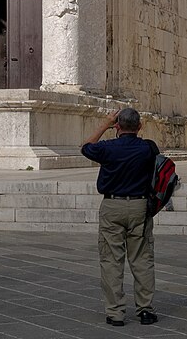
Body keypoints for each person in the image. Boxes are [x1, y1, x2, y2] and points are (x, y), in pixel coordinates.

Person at [81, 108, 158, 327]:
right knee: (142, 260)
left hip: (112, 206)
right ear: (140, 126)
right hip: (140, 207)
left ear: (118, 126)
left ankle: (115, 312)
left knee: (111, 261)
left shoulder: (107, 149)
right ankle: (145, 310)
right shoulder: (147, 148)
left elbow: (86, 147)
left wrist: (105, 123)